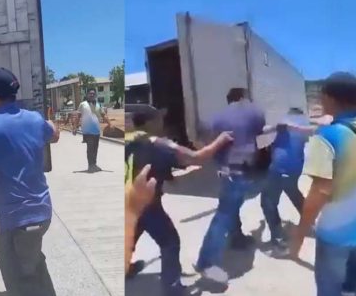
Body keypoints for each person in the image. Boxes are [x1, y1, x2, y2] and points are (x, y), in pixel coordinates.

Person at [0, 66, 60, 296]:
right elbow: (55, 134)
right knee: (32, 264)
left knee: (18, 279)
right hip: (43, 213)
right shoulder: (35, 119)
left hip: (16, 222)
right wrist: (47, 123)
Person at [125, 107, 233, 295]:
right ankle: (172, 288)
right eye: (159, 119)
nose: (163, 123)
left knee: (130, 237)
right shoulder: (157, 144)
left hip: (127, 203)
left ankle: (125, 268)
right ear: (150, 122)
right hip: (146, 204)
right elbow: (197, 158)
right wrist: (220, 140)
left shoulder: (127, 139)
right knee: (170, 242)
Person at [288, 72, 356, 296]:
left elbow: (320, 191)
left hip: (335, 235)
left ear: (330, 99)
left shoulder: (327, 136)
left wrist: (299, 235)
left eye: (321, 96)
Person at [194, 87, 266, 284]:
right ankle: (207, 262)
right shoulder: (254, 110)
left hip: (225, 170)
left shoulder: (216, 117)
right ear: (243, 97)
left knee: (230, 208)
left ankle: (237, 238)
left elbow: (204, 140)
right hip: (240, 170)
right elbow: (258, 130)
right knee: (223, 215)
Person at [260, 107, 311, 257]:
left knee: (268, 202)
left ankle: (280, 241)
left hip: (279, 169)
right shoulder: (303, 128)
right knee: (293, 191)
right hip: (295, 170)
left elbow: (264, 130)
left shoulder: (284, 124)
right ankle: (309, 222)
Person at [75, 88, 111, 172]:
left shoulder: (99, 105)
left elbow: (104, 115)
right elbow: (78, 116)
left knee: (95, 149)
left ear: (95, 95)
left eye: (93, 94)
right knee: (90, 148)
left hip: (96, 131)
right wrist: (75, 127)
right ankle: (90, 165)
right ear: (87, 95)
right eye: (90, 93)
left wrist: (110, 124)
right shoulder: (82, 104)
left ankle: (94, 164)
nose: (92, 95)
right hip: (87, 131)